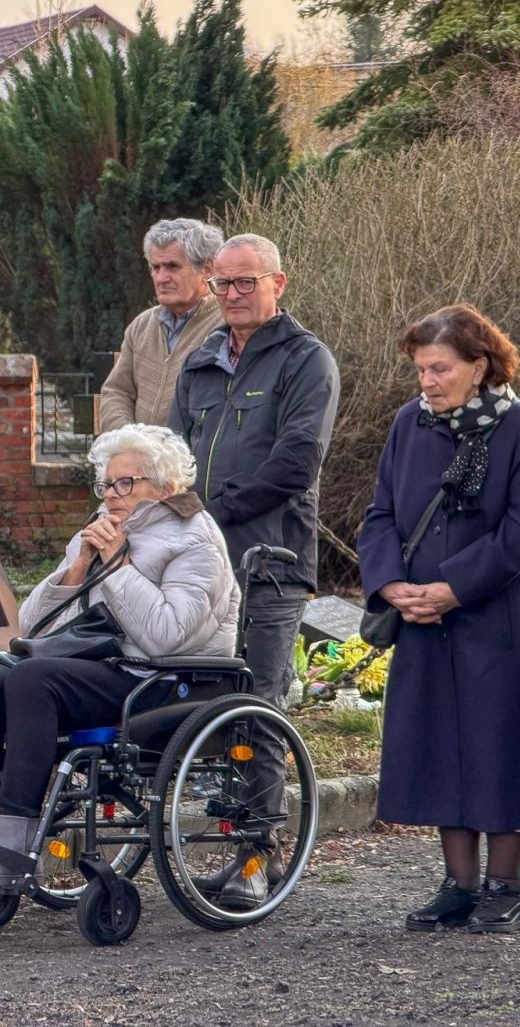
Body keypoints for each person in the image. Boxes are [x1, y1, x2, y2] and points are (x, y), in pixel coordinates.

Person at [358, 304, 520, 934]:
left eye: (440, 368)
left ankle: (505, 884)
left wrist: (454, 587)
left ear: (479, 367)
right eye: (421, 368)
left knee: (500, 744)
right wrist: (392, 583)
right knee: (439, 746)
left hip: (498, 619)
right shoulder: (408, 425)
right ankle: (459, 884)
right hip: (425, 622)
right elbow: (381, 515)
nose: (427, 380)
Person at [168, 232, 339, 900]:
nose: (232, 295)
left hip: (271, 563)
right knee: (204, 706)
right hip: (201, 567)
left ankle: (256, 854)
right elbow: (173, 460)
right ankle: (224, 835)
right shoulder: (200, 364)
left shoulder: (306, 360)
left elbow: (296, 463)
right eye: (223, 285)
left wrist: (209, 512)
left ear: (278, 284)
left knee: (258, 705)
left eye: (246, 283)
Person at [1, 425, 238, 879]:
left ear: (166, 486)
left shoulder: (195, 539)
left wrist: (118, 568)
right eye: (107, 483)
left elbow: (167, 637)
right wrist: (78, 568)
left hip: (162, 682)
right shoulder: (102, 531)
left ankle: (11, 847)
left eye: (125, 483)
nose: (111, 494)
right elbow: (31, 629)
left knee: (33, 680)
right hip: (97, 669)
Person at [100, 219, 226, 431]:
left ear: (207, 269)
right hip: (138, 458)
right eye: (155, 267)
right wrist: (128, 442)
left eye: (172, 267)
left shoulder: (228, 325)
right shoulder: (142, 325)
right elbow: (117, 392)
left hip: (193, 461)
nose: (161, 278)